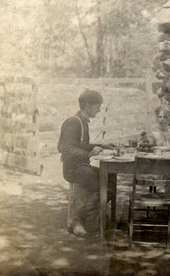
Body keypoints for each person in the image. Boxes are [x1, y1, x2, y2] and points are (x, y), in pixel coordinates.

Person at [58, 90, 113, 237]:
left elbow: (81, 145)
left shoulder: (83, 123)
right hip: (73, 168)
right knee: (102, 186)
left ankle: (91, 217)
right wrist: (89, 153)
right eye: (97, 106)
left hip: (82, 166)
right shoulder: (73, 122)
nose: (99, 110)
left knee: (110, 180)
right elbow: (65, 149)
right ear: (88, 106)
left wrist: (103, 145)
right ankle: (80, 219)